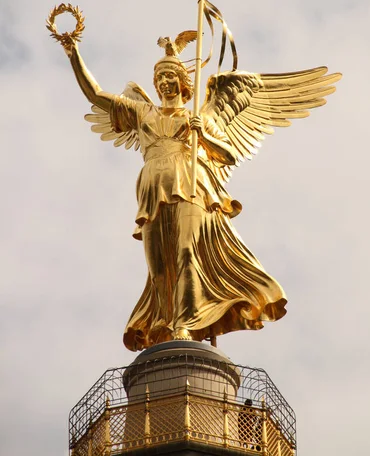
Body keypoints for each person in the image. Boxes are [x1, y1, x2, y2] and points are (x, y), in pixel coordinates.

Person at [63, 38, 287, 351]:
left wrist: (203, 133)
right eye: (160, 79)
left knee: (185, 252)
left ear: (183, 85)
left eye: (170, 78)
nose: (164, 83)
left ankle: (186, 323)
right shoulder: (142, 114)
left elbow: (227, 156)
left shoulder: (199, 117)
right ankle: (164, 326)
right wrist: (73, 52)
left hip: (192, 185)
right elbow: (96, 94)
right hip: (153, 187)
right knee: (159, 267)